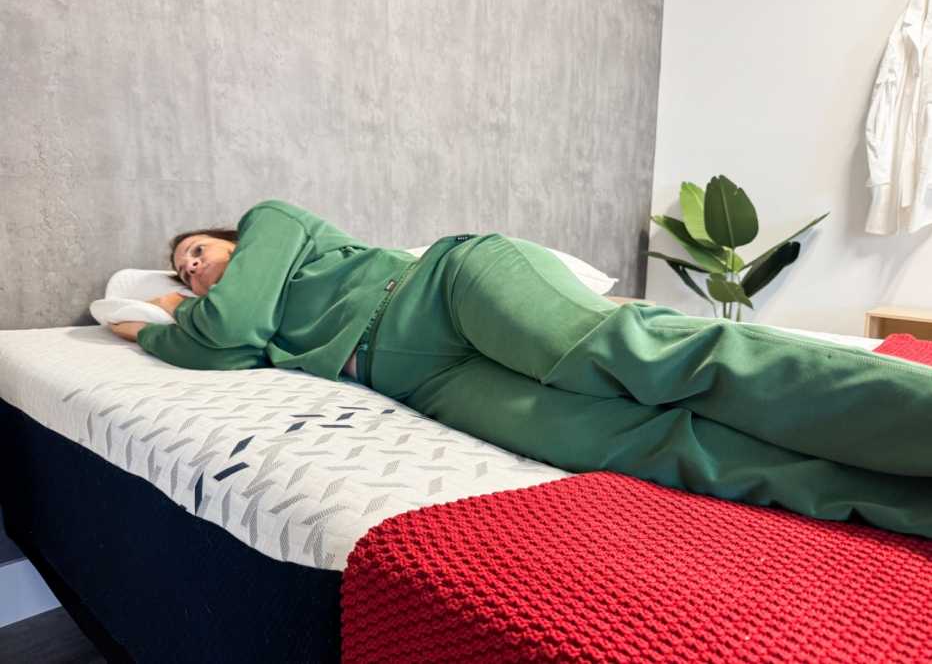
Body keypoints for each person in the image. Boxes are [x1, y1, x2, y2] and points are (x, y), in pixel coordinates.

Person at [112, 199, 932, 541]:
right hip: (420, 381)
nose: (194, 271)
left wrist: (166, 316)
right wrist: (166, 327)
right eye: (182, 275)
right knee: (627, 442)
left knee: (641, 353)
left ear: (227, 236)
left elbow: (225, 328)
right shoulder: (235, 323)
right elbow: (215, 344)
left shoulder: (271, 223)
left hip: (445, 290)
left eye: (197, 253)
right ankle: (907, 498)